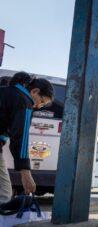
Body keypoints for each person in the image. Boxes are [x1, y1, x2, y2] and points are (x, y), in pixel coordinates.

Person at [0, 72, 54, 204]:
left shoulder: (5, 91)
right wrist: (26, 173)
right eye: (41, 101)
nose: (38, 106)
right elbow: (20, 139)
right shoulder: (24, 101)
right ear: (34, 91)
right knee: (4, 194)